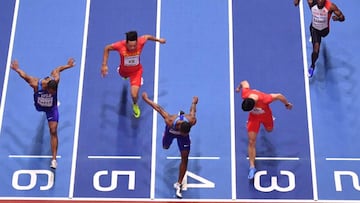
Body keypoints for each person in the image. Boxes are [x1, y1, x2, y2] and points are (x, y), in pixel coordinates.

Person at [10, 58, 76, 169]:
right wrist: (17, 69)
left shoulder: (55, 80)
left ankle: (54, 160)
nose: (53, 93)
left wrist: (68, 66)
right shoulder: (35, 83)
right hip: (40, 106)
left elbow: (57, 69)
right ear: (47, 88)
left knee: (53, 130)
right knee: (45, 120)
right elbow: (24, 76)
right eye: (52, 92)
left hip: (52, 108)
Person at [142, 92, 198, 198]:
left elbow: (192, 111)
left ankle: (179, 184)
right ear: (180, 128)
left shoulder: (191, 121)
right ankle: (170, 133)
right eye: (184, 132)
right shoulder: (170, 120)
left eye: (187, 133)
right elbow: (158, 108)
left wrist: (194, 103)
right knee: (165, 147)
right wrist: (146, 99)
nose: (186, 134)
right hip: (170, 133)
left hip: (183, 139)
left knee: (185, 159)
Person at [101, 31, 166, 118]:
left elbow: (147, 36)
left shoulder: (141, 42)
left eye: (134, 45)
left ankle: (135, 104)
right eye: (130, 45)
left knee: (134, 95)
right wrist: (104, 65)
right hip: (123, 70)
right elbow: (107, 48)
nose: (132, 48)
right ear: (126, 42)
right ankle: (124, 75)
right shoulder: (120, 45)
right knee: (123, 75)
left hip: (136, 72)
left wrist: (159, 40)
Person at [235, 80, 293, 179]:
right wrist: (238, 88)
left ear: (253, 105)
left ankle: (270, 120)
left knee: (270, 130)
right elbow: (244, 82)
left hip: (266, 116)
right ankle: (252, 167)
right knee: (251, 141)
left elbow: (279, 95)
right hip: (253, 118)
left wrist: (287, 104)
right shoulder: (245, 94)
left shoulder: (265, 99)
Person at [294, 0, 345, 77]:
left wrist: (337, 18)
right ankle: (312, 66)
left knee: (322, 37)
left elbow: (342, 17)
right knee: (316, 50)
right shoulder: (311, 2)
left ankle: (315, 41)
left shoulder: (331, 6)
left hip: (325, 30)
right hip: (315, 30)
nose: (320, 1)